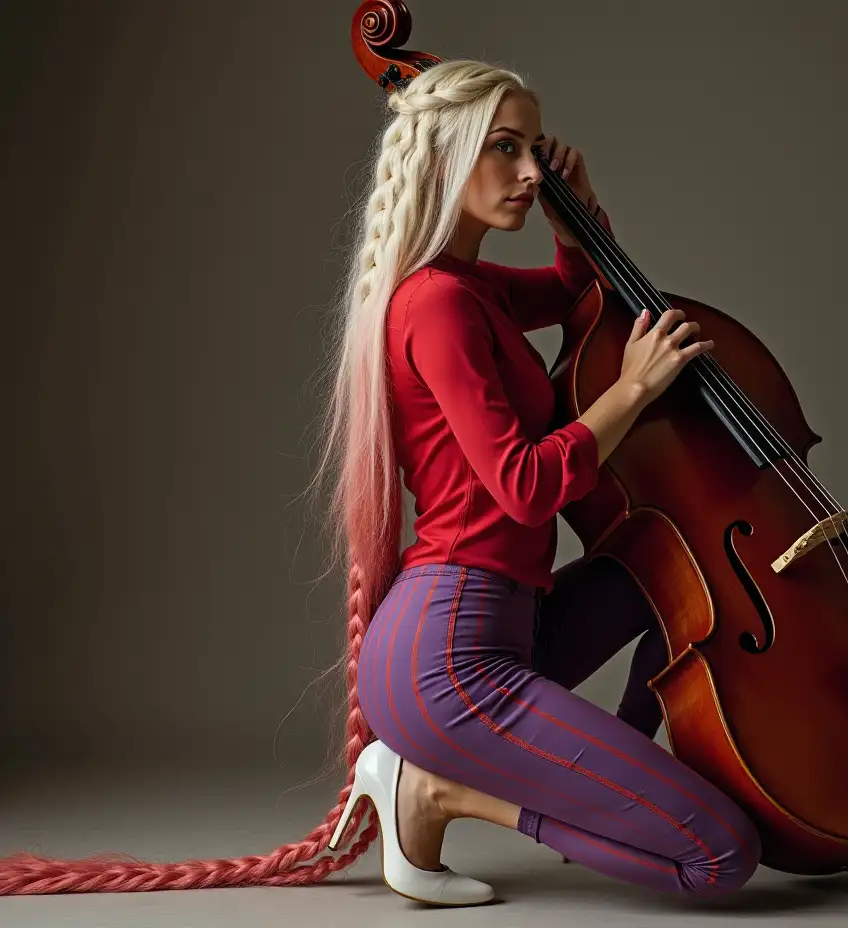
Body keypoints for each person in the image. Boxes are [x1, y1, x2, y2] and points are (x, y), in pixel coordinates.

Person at [0, 58, 761, 904]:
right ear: (443, 160)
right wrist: (633, 391)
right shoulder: (435, 303)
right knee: (720, 855)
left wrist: (575, 221)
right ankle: (444, 791)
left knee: (668, 572)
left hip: (509, 627)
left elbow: (575, 294)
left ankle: (615, 772)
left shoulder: (471, 288)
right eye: (502, 149)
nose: (529, 172)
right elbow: (523, 486)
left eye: (534, 150)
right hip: (451, 658)